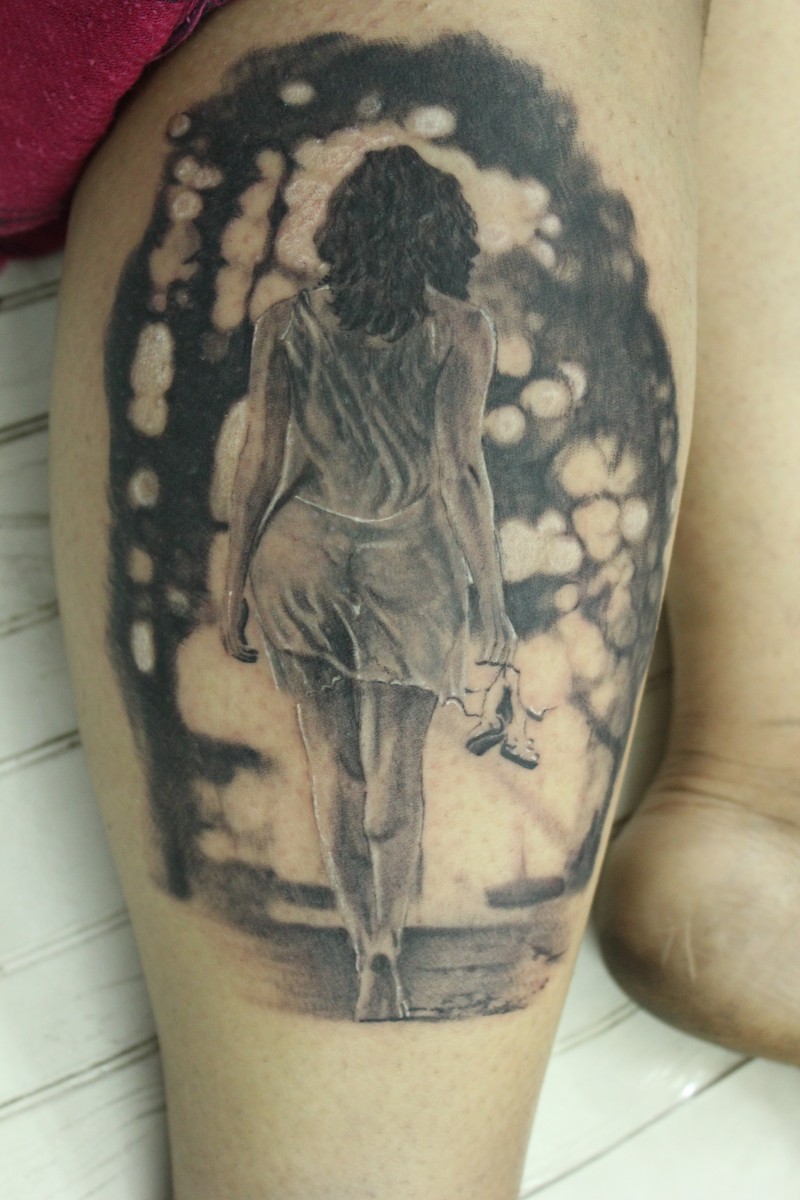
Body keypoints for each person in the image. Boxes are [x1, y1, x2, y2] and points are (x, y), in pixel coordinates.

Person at [221, 146, 516, 1020]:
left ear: (345, 227)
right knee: (395, 777)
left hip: (299, 557)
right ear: (440, 231)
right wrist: (493, 599)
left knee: (335, 769)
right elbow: (461, 472)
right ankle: (389, 942)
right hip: (412, 565)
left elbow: (259, 463)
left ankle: (364, 950)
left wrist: (234, 586)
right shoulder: (462, 331)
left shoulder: (286, 322)